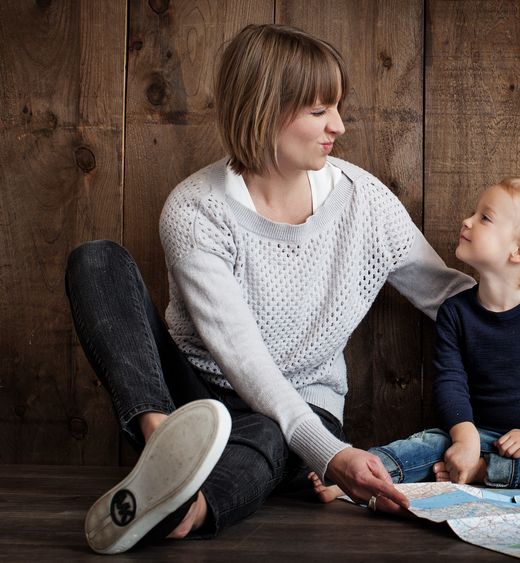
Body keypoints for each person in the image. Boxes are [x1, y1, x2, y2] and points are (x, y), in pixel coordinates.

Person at [65, 23, 474, 554]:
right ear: (265, 108)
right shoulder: (195, 210)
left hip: (302, 406)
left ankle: (186, 509)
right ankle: (164, 445)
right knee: (97, 261)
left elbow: (447, 296)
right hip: (191, 396)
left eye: (336, 107)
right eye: (319, 110)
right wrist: (331, 457)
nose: (339, 126)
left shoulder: (363, 202)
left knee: (268, 432)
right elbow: (242, 357)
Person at [312, 178, 520, 502]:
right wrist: (464, 438)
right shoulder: (456, 312)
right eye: (474, 213)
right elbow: (451, 380)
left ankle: (482, 472)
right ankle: (354, 477)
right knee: (422, 446)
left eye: (484, 218)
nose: (468, 221)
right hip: (473, 431)